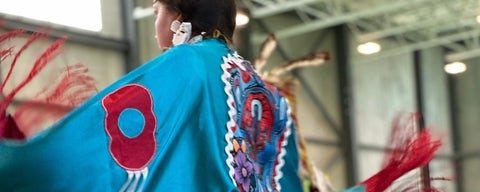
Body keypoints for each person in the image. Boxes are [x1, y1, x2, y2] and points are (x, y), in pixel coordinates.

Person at [0, 0, 304, 191]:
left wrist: (19, 160)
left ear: (179, 17)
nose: (154, 23)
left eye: (157, 11)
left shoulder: (186, 63)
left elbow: (109, 133)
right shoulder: (273, 97)